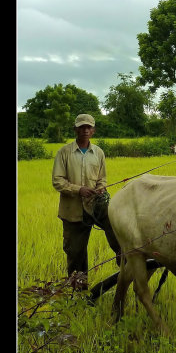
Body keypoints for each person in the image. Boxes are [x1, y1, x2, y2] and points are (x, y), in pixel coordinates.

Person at [52, 114, 121, 291]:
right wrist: (79, 189)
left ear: (93, 130)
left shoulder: (98, 153)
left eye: (89, 127)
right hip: (73, 211)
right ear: (75, 129)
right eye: (81, 127)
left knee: (116, 226)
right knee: (76, 254)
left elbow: (102, 179)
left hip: (94, 207)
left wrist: (101, 188)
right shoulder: (64, 152)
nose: (85, 130)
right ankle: (78, 292)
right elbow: (58, 181)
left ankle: (124, 259)